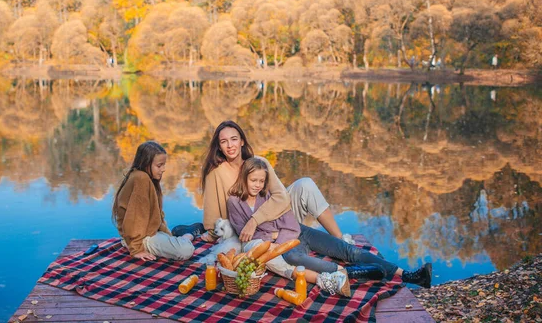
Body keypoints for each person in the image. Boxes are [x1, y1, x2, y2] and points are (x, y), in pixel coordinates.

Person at [226, 158, 432, 295]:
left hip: (297, 231)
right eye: (253, 180)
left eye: (262, 181)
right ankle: (347, 273)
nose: (258, 185)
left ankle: (408, 275)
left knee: (346, 249)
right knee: (295, 257)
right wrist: (272, 236)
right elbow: (245, 234)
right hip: (287, 245)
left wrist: (273, 234)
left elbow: (288, 220)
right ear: (244, 178)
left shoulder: (269, 194)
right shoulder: (234, 203)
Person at [192, 120, 349, 245]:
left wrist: (256, 219)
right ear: (219, 147)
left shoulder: (259, 162)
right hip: (249, 231)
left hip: (277, 218)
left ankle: (341, 240)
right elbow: (212, 220)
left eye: (234, 139)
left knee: (305, 185)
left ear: (242, 142)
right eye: (224, 141)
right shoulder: (215, 174)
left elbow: (282, 197)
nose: (230, 145)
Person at [112, 141, 196, 261]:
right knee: (186, 250)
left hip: (148, 233)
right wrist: (137, 249)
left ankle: (181, 237)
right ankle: (188, 235)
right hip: (140, 238)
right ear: (146, 164)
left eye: (164, 165)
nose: (163, 169)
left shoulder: (146, 178)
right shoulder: (141, 178)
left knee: (178, 246)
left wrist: (167, 235)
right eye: (159, 165)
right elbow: (135, 218)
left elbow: (157, 215)